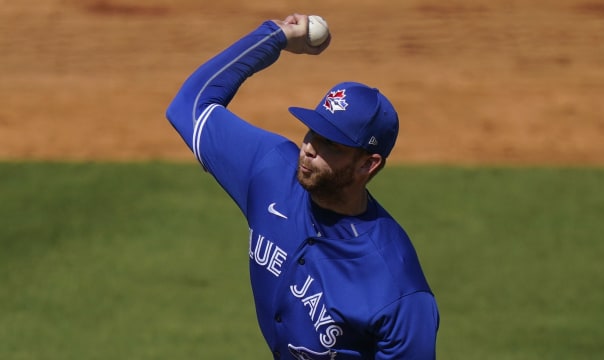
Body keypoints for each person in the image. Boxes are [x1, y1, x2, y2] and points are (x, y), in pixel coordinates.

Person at [166, 13, 439, 360]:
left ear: (367, 165)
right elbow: (188, 106)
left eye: (331, 144)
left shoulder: (396, 286)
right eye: (313, 131)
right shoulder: (272, 170)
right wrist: (274, 38)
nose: (309, 147)